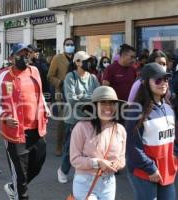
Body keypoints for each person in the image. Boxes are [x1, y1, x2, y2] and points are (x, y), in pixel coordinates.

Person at [0, 43, 49, 200]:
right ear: (11, 58)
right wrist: (4, 116)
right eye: (20, 55)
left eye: (26, 54)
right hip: (15, 134)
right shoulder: (3, 75)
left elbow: (39, 93)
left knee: (37, 164)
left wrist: (45, 107)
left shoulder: (34, 71)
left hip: (36, 129)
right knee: (20, 176)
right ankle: (18, 191)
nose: (24, 57)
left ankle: (13, 186)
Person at [125, 63, 177, 200]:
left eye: (166, 79)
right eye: (158, 80)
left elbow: (173, 139)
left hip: (167, 170)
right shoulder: (136, 111)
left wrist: (174, 159)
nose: (163, 83)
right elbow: (132, 146)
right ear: (145, 83)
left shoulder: (169, 108)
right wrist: (151, 169)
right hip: (145, 173)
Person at [70, 86, 127, 200]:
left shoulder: (120, 129)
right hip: (85, 183)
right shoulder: (81, 127)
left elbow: (122, 159)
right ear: (95, 106)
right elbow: (74, 159)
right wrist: (97, 163)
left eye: (111, 103)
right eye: (103, 103)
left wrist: (117, 164)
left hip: (109, 183)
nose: (108, 107)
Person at [57, 51, 100, 184]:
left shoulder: (93, 78)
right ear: (77, 62)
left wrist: (82, 97)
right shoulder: (71, 77)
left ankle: (83, 173)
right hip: (74, 119)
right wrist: (90, 97)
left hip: (91, 118)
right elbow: (71, 100)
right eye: (85, 60)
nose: (88, 63)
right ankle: (63, 170)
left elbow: (99, 96)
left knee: (89, 149)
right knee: (71, 148)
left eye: (89, 60)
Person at [47, 38, 75, 156]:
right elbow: (50, 76)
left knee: (76, 122)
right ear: (64, 46)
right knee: (62, 122)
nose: (70, 46)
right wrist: (60, 82)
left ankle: (73, 147)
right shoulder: (57, 58)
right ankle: (59, 146)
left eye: (72, 44)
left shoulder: (77, 58)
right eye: (67, 44)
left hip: (76, 93)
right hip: (62, 94)